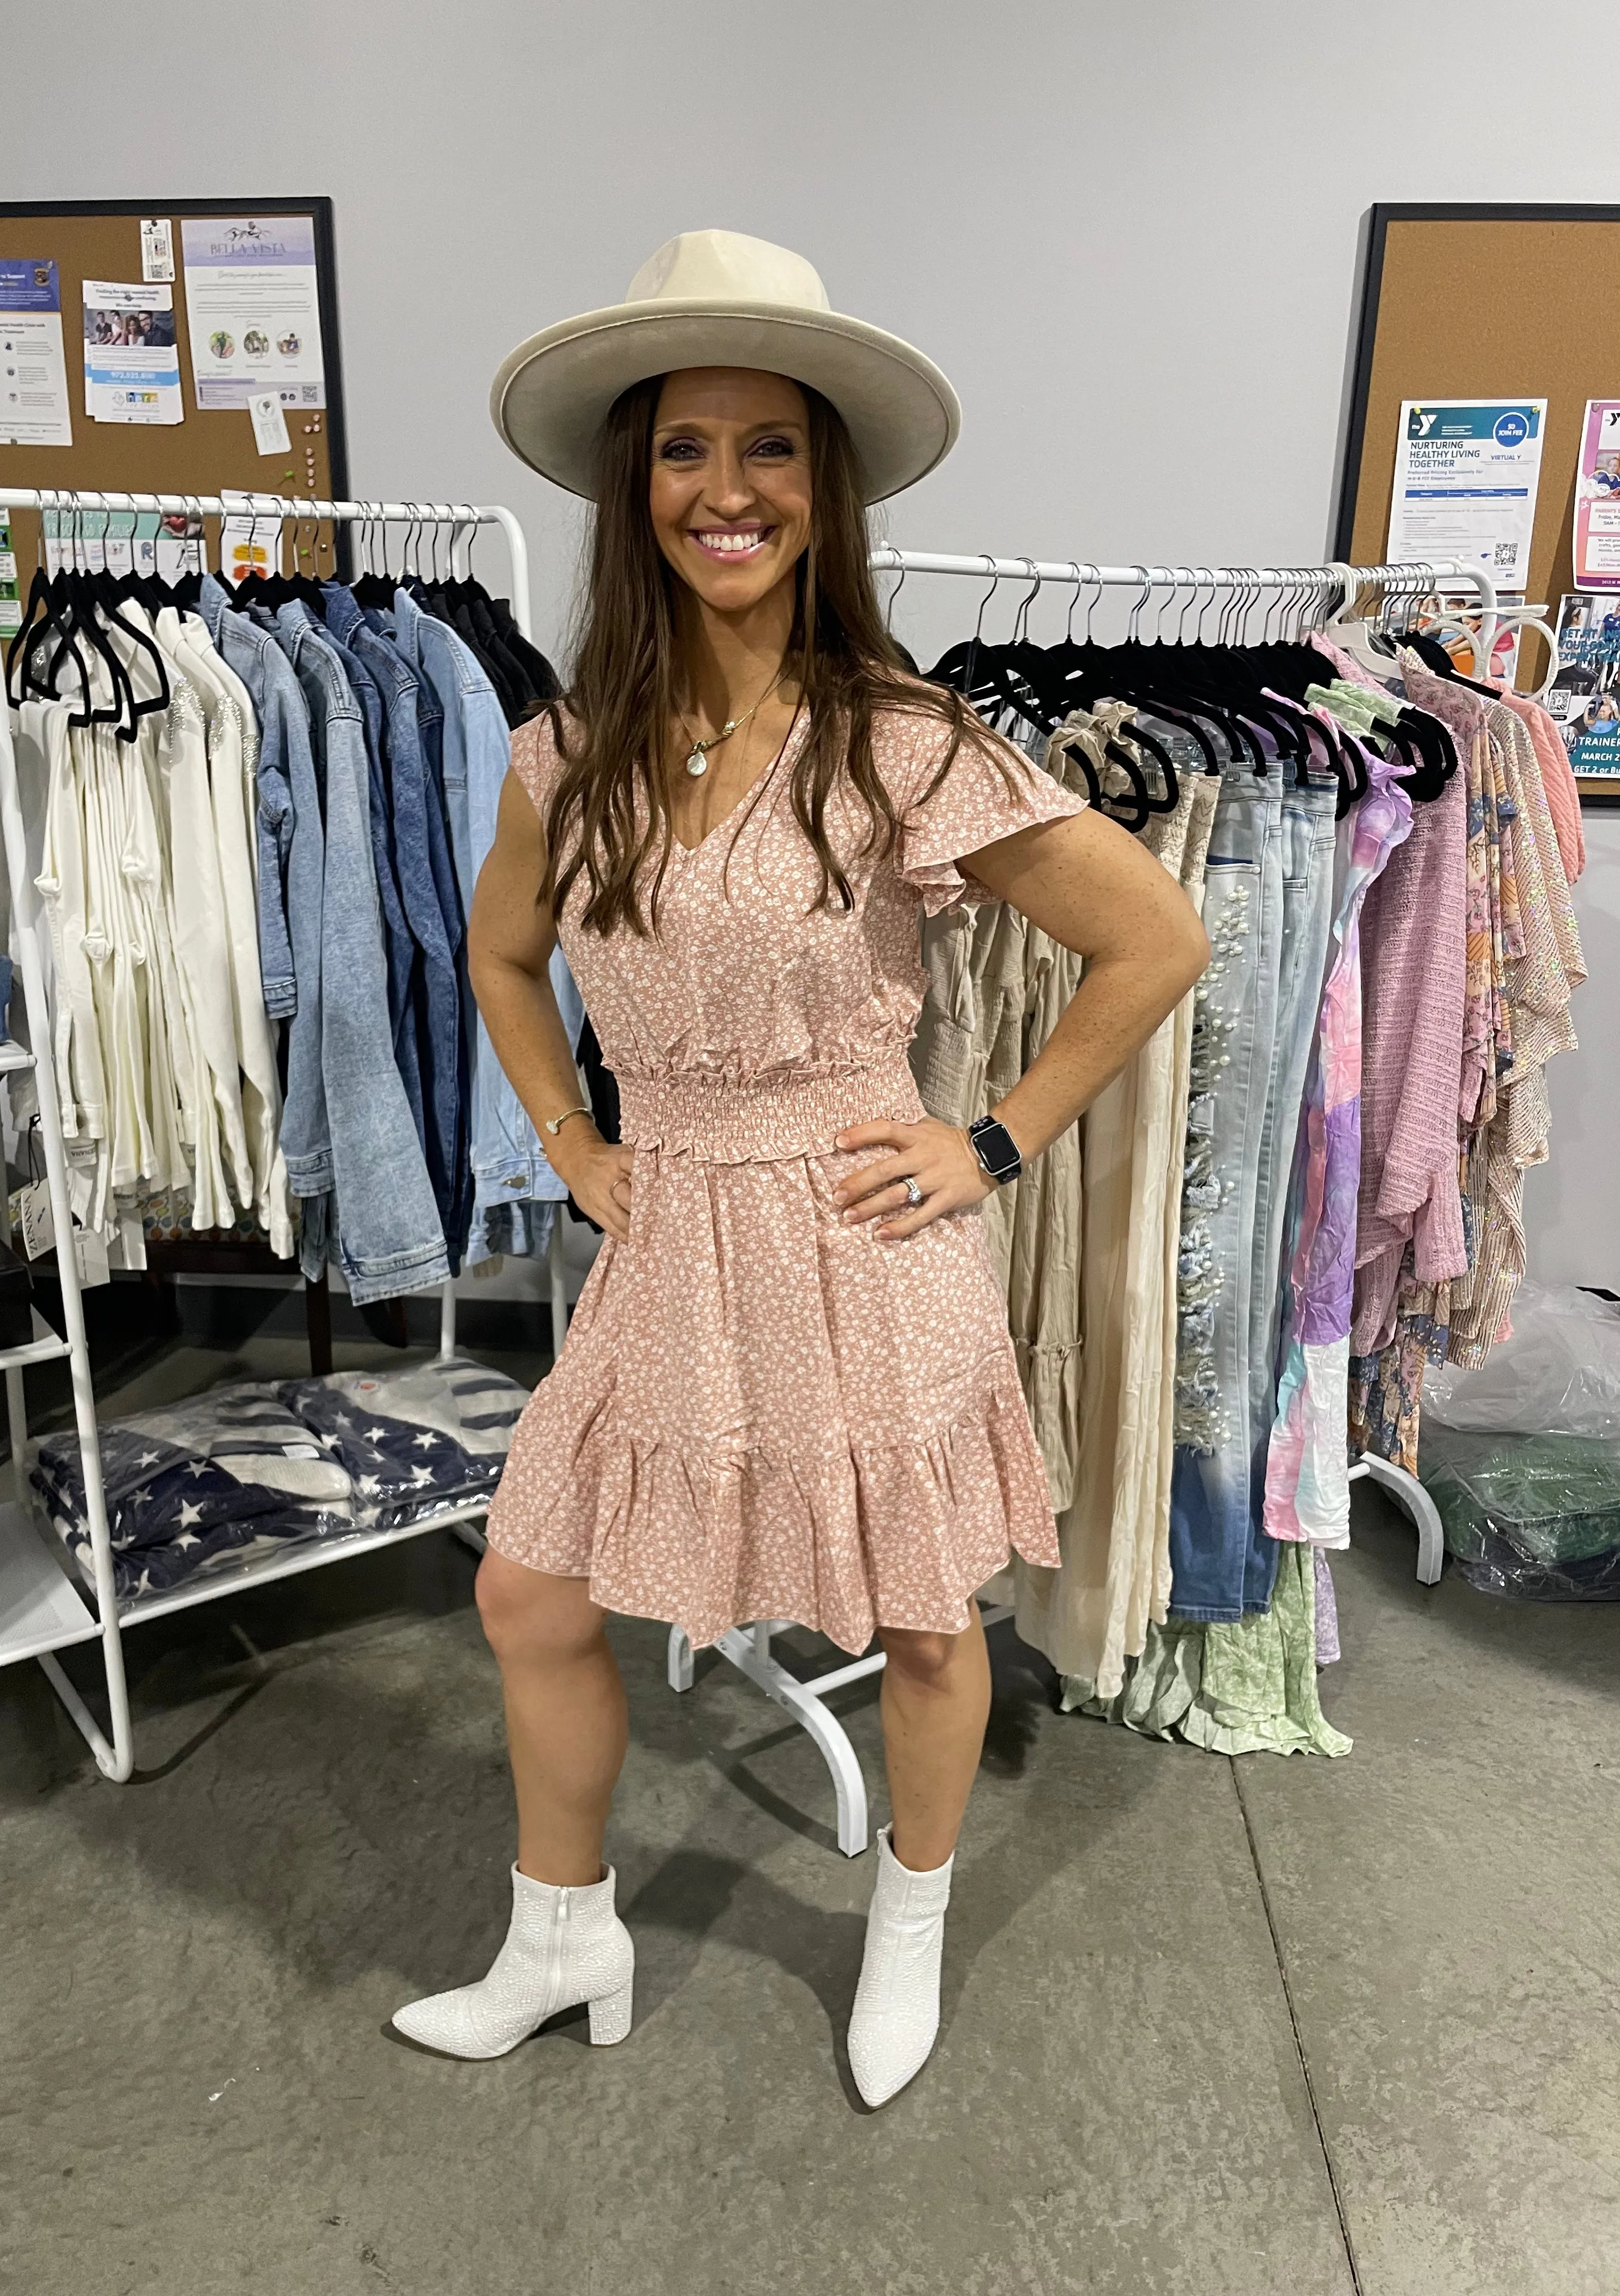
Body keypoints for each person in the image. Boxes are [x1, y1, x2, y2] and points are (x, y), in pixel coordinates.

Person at [393, 232, 1208, 2104]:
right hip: (667, 1227)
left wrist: (991, 1136)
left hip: (859, 1229)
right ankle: (561, 1933)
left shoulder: (901, 743)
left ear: (822, 490)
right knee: (531, 1589)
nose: (727, 489)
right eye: (687, 449)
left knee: (924, 1619)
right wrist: (573, 1137)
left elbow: (1158, 934)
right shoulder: (573, 746)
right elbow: (500, 956)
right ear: (638, 484)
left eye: (771, 448)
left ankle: (903, 1934)